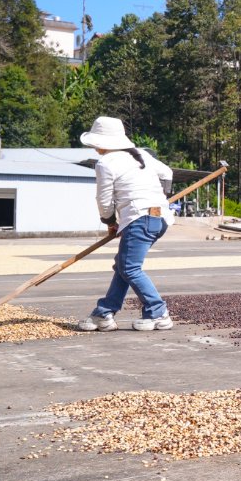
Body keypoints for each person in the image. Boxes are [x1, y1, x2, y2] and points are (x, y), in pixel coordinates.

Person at [75, 116, 176, 332]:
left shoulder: (105, 163)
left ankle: (158, 312)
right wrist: (161, 198)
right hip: (159, 219)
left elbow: (104, 200)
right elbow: (167, 173)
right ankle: (104, 313)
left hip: (140, 219)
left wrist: (110, 222)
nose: (95, 148)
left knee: (129, 267)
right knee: (123, 266)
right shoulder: (142, 155)